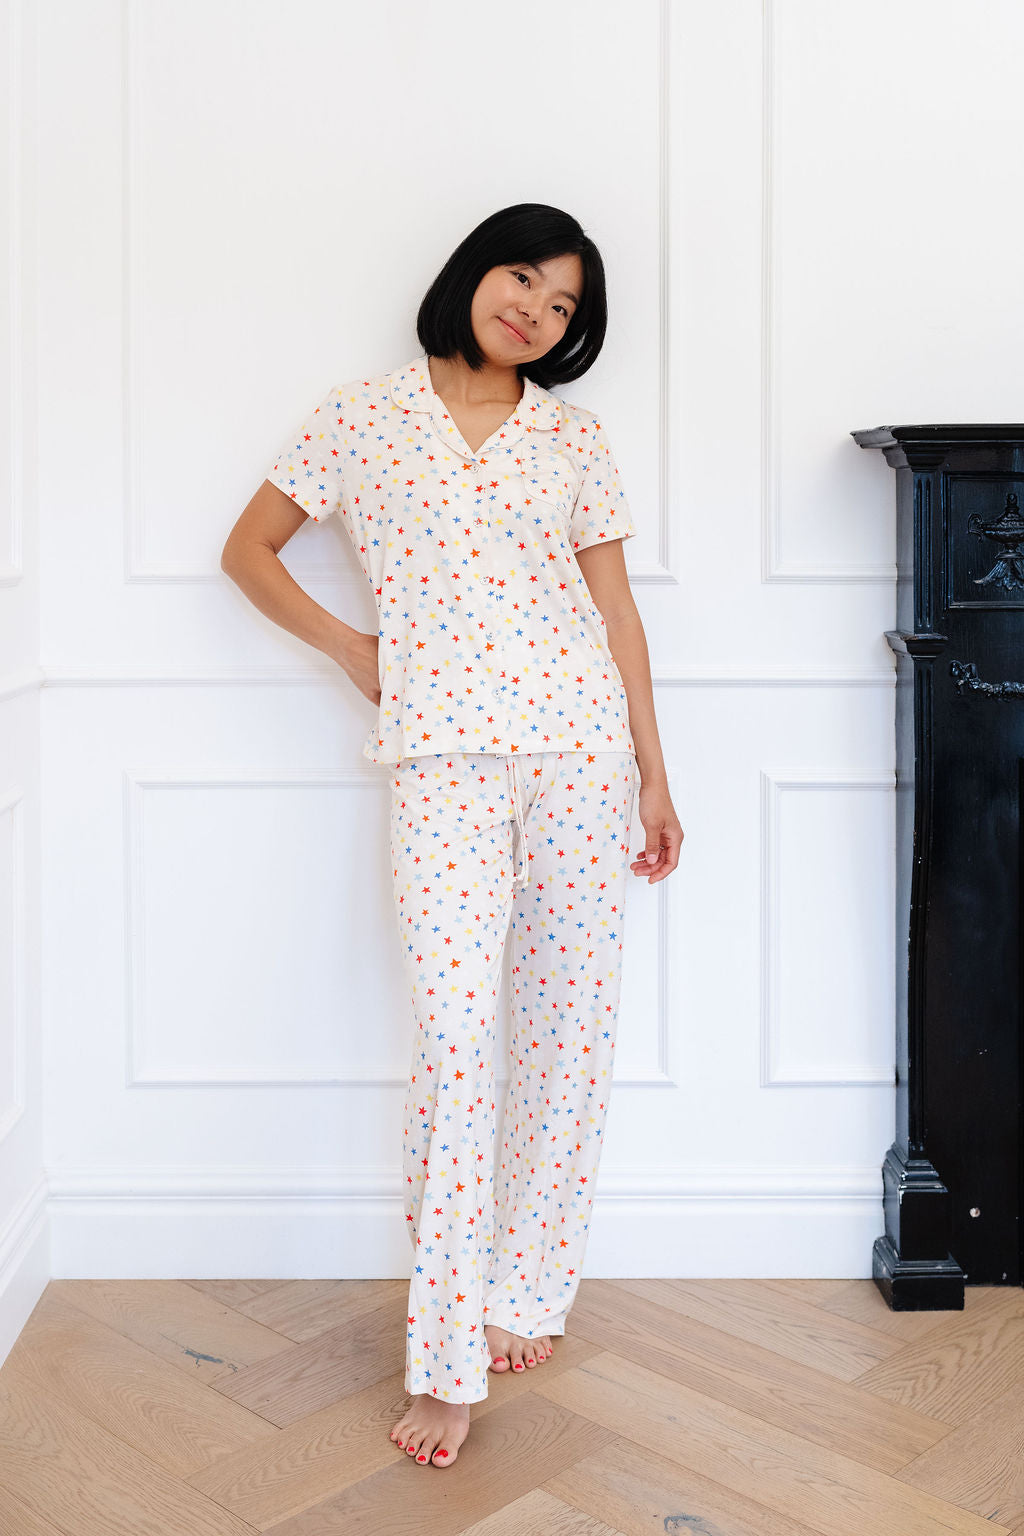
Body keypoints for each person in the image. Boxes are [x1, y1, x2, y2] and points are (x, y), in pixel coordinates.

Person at [221, 202, 684, 1469]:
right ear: (476, 274)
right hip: (440, 760)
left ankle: (525, 1286)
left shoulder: (573, 439)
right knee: (459, 1043)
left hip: (582, 754)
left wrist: (654, 773)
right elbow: (248, 552)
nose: (533, 309)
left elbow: (616, 615)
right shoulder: (359, 416)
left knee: (568, 1036)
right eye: (521, 277)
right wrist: (356, 652)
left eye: (562, 303)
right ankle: (442, 1356)